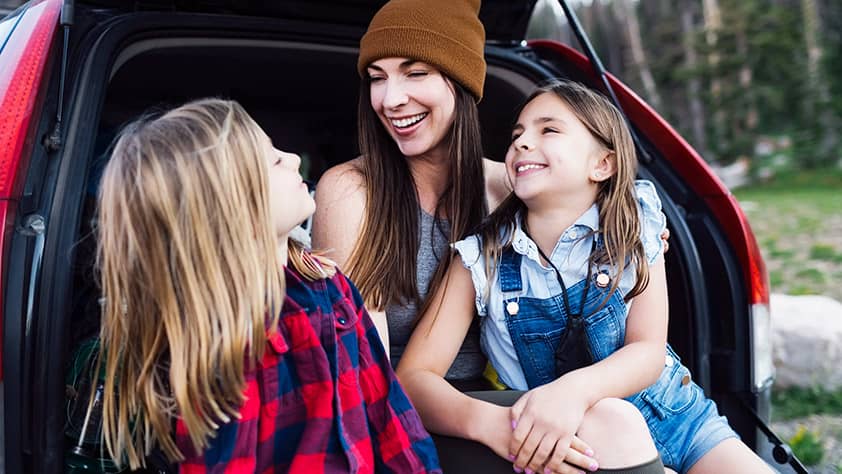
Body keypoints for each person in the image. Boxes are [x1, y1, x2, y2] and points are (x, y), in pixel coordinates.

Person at [314, 0, 669, 472]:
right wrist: (491, 426)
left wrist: (645, 234)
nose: (390, 98)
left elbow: (606, 250)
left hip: (515, 398)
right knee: (611, 430)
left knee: (613, 425)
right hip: (401, 419)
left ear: (462, 82)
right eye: (377, 78)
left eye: (415, 73)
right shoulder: (350, 192)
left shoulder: (514, 186)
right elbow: (368, 378)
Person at [398, 80, 772, 474]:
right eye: (517, 135)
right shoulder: (480, 258)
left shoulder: (634, 222)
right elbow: (413, 378)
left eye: (549, 130)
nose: (522, 143)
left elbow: (647, 352)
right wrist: (488, 423)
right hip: (584, 442)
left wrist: (572, 391)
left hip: (679, 418)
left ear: (603, 164)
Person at [94, 98, 441, 473]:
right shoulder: (225, 340)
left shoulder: (332, 287)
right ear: (230, 205)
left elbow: (388, 414)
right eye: (275, 159)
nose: (294, 158)